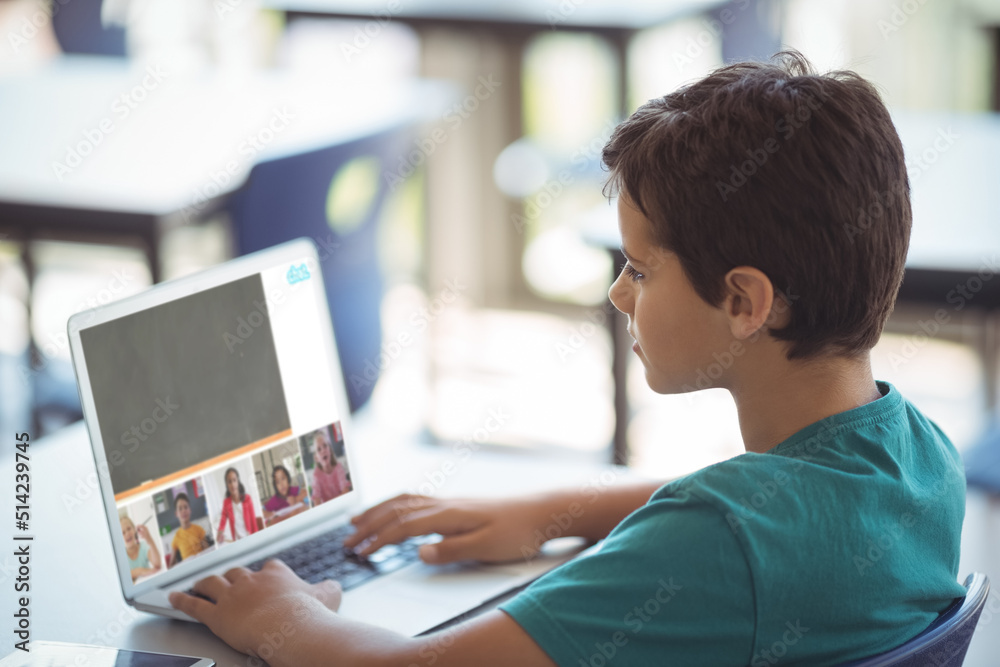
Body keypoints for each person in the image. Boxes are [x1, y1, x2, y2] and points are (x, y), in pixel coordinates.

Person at [170, 51, 967, 666]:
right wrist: (545, 511)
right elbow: (750, 511)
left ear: (744, 303)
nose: (621, 294)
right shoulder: (920, 455)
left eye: (642, 269)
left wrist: (280, 618)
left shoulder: (714, 546)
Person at [216, 467, 259, 544]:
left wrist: (256, 540)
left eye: (234, 480)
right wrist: (220, 533)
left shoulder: (247, 499)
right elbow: (223, 520)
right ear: (227, 485)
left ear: (238, 481)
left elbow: (253, 522)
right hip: (237, 542)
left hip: (250, 539)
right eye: (229, 482)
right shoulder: (226, 502)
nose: (232, 484)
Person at [309, 430, 351, 505]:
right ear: (316, 458)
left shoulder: (338, 468)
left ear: (330, 450)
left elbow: (346, 491)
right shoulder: (316, 475)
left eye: (325, 446)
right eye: (319, 449)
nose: (323, 451)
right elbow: (316, 501)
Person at [170, 492, 211, 565]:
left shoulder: (199, 529)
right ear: (176, 514)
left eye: (186, 507)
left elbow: (208, 552)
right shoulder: (176, 537)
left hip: (202, 564)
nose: (183, 511)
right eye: (180, 508)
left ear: (190, 510)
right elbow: (171, 565)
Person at [120, 515, 161, 582]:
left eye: (129, 529)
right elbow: (123, 575)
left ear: (134, 530)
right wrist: (140, 571)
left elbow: (157, 564)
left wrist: (149, 539)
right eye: (123, 532)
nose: (127, 533)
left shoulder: (143, 547)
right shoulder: (121, 556)